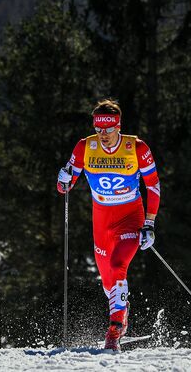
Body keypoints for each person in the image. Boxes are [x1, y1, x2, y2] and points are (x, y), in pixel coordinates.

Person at [56, 99, 161, 351]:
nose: (103, 134)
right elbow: (65, 187)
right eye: (98, 128)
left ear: (118, 126)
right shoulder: (85, 147)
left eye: (108, 128)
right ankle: (121, 310)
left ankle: (115, 329)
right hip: (101, 220)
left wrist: (149, 223)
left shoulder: (136, 147)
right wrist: (63, 180)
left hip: (130, 217)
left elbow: (153, 185)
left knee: (118, 265)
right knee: (107, 281)